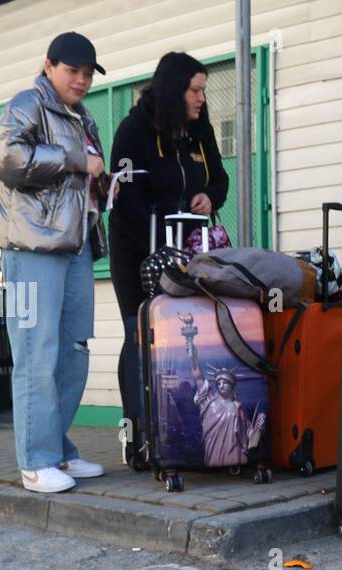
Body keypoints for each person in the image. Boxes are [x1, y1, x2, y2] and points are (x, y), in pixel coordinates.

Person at [0, 32, 110, 493]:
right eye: (72, 70)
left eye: (88, 73)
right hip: (31, 246)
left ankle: (59, 452)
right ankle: (35, 463)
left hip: (75, 246)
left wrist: (103, 183)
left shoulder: (82, 117)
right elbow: (6, 159)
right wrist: (76, 161)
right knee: (37, 354)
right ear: (49, 66)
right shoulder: (27, 104)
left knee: (73, 351)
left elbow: (78, 182)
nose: (81, 80)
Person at [108, 51, 231, 452]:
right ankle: (135, 435)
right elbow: (125, 204)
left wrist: (209, 197)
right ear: (174, 90)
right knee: (140, 332)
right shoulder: (134, 130)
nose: (201, 98)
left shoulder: (199, 130)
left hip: (187, 249)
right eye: (194, 90)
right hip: (137, 251)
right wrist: (158, 252)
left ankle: (176, 433)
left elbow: (221, 178)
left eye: (203, 91)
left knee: (183, 337)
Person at [183, 316, 265, 466]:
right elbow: (197, 374)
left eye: (225, 382)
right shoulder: (208, 402)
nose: (221, 385)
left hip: (234, 452)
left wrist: (258, 426)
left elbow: (248, 434)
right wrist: (190, 339)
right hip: (213, 450)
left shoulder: (238, 408)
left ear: (232, 386)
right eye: (218, 382)